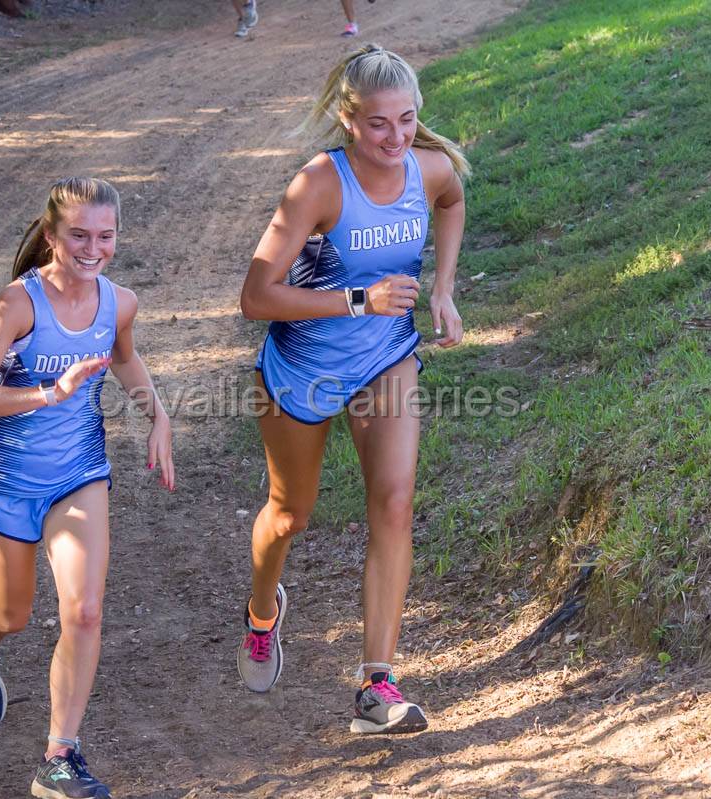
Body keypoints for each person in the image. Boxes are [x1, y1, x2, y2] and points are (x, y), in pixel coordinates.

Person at [236, 44, 468, 734]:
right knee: (290, 513)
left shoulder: (430, 169)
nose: (395, 139)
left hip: (385, 359)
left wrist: (444, 289)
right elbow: (255, 296)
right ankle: (260, 611)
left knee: (394, 502)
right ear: (347, 119)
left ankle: (377, 683)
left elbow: (453, 199)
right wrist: (359, 298)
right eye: (378, 125)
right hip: (301, 368)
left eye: (406, 121)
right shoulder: (318, 185)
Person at [0, 176, 174, 798]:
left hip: (78, 475)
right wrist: (49, 393)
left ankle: (60, 757)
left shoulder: (119, 302)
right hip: (3, 483)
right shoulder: (15, 306)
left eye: (105, 236)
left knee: (84, 610)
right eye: (78, 235)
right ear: (52, 236)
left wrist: (157, 413)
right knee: (12, 613)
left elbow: (124, 357)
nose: (92, 248)